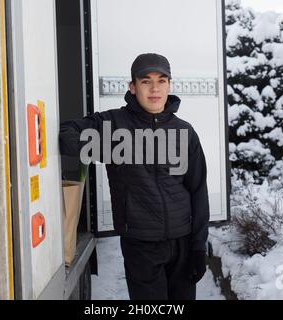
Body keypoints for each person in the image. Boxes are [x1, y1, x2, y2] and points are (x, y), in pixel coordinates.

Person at [59, 53, 210, 300]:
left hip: (182, 242)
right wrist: (106, 149)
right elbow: (66, 133)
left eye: (161, 81)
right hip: (141, 245)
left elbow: (198, 190)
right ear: (132, 86)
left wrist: (198, 246)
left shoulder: (184, 131)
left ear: (169, 85)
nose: (154, 89)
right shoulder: (113, 123)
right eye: (145, 81)